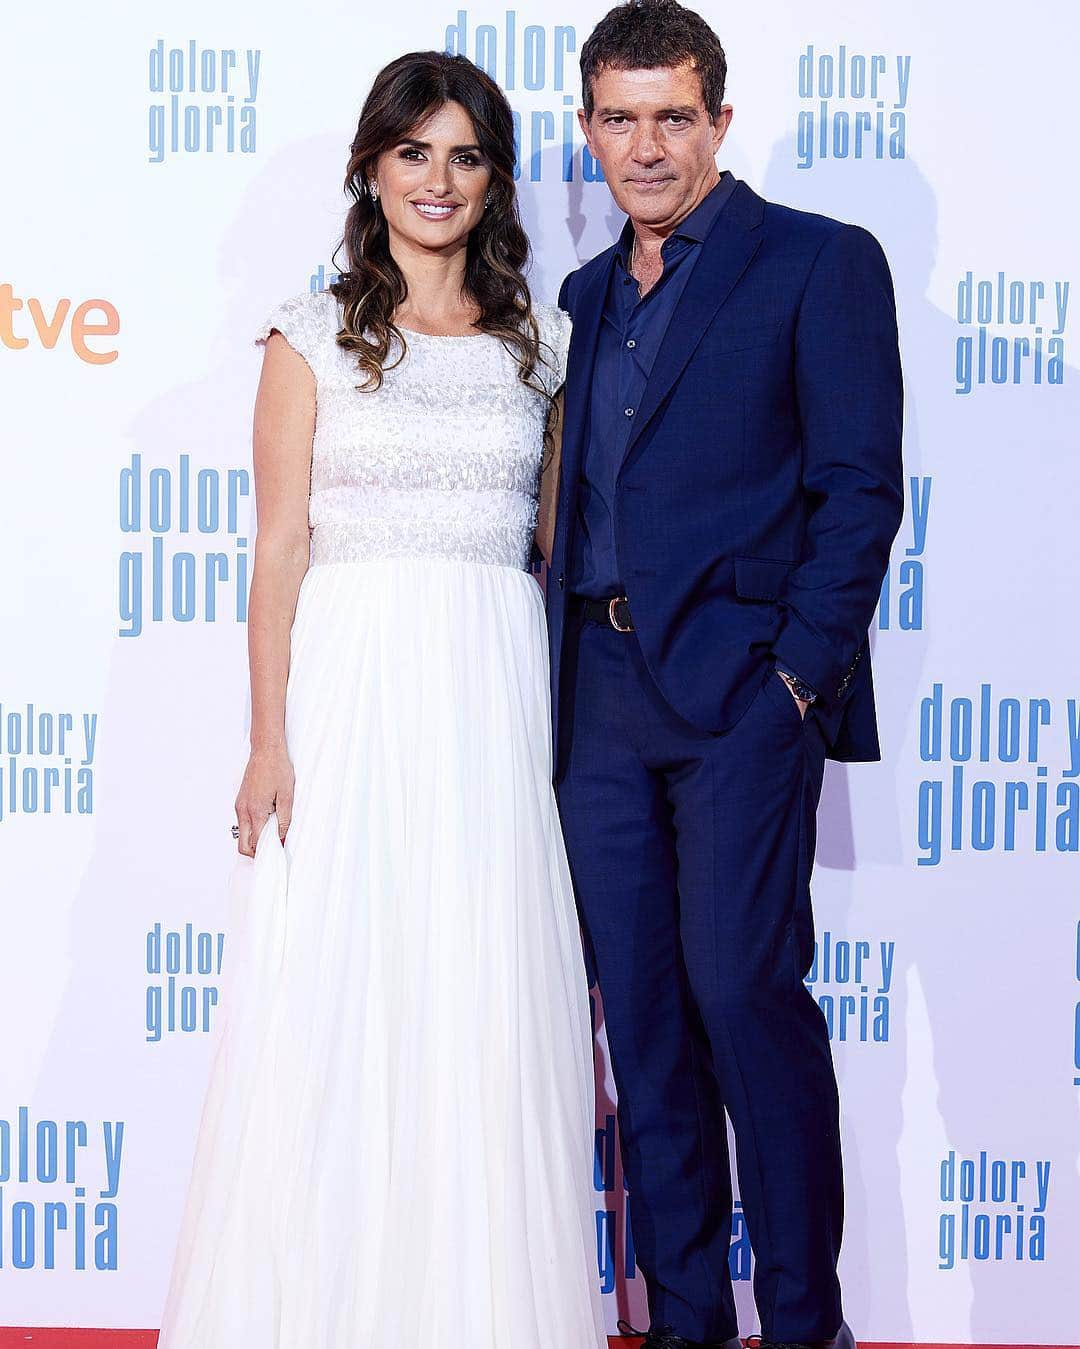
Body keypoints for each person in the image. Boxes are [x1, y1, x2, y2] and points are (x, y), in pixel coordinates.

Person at [158, 50, 605, 1349]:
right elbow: (280, 552)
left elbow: (552, 546)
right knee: (339, 994)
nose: (439, 180)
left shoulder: (546, 342)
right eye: (414, 151)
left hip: (493, 693)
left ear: (496, 177)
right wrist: (265, 740)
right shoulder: (310, 337)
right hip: (355, 692)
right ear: (371, 166)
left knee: (481, 994)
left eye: (465, 154)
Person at [548, 3, 904, 1348]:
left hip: (743, 701)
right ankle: (689, 1319)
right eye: (621, 119)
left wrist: (798, 686)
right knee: (641, 1031)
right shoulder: (583, 298)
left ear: (720, 121)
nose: (647, 147)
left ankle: (805, 1325)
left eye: (674, 117)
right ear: (589, 131)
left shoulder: (816, 263)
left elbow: (860, 492)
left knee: (745, 999)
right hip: (597, 707)